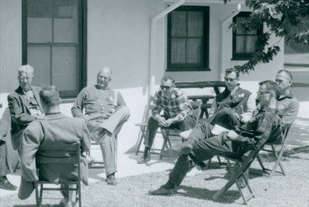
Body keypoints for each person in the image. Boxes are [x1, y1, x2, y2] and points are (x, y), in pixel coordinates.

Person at [149, 80, 281, 196]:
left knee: (189, 152)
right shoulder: (264, 112)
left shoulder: (267, 116)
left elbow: (256, 144)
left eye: (261, 92)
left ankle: (170, 185)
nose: (258, 95)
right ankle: (186, 144)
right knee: (204, 126)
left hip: (234, 145)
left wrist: (236, 137)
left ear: (271, 95)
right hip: (230, 138)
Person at [18, 86, 91, 207]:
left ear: (41, 104)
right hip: (73, 173)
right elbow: (86, 148)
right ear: (60, 101)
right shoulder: (79, 124)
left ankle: (67, 198)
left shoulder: (34, 127)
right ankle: (69, 198)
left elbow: (26, 160)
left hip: (45, 174)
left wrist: (33, 178)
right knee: (74, 160)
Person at [71, 67, 130, 185]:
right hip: (93, 123)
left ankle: (105, 129)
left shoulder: (116, 94)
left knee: (125, 110)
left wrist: (109, 124)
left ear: (110, 79)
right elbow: (75, 108)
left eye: (105, 78)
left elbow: (124, 112)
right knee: (108, 135)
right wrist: (83, 118)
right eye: (100, 76)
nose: (101, 79)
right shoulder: (86, 91)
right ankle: (110, 174)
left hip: (109, 123)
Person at [138, 76, 197, 164]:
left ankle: (186, 155)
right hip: (171, 118)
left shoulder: (180, 94)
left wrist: (172, 120)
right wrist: (159, 118)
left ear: (173, 87)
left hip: (186, 119)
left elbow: (184, 113)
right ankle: (146, 152)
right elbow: (155, 110)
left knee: (185, 122)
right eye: (162, 87)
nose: (164, 89)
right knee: (152, 120)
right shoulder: (159, 94)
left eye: (167, 87)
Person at [8, 65, 44, 150]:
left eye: (27, 78)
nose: (24, 81)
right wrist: (37, 118)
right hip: (23, 130)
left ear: (32, 78)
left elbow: (46, 107)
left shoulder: (39, 91)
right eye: (22, 78)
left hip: (42, 125)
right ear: (18, 79)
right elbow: (18, 117)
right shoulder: (13, 96)